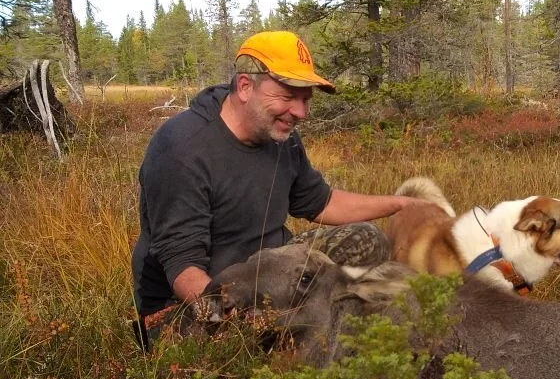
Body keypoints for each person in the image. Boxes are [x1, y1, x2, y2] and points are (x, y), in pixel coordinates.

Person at [132, 29, 415, 345]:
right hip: (193, 298)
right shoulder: (181, 148)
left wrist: (402, 204)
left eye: (305, 100)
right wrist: (234, 316)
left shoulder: (281, 137)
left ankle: (314, 329)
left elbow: (320, 202)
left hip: (269, 274)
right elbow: (182, 264)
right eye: (288, 97)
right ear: (245, 86)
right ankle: (295, 336)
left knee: (367, 240)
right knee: (244, 345)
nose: (300, 112)